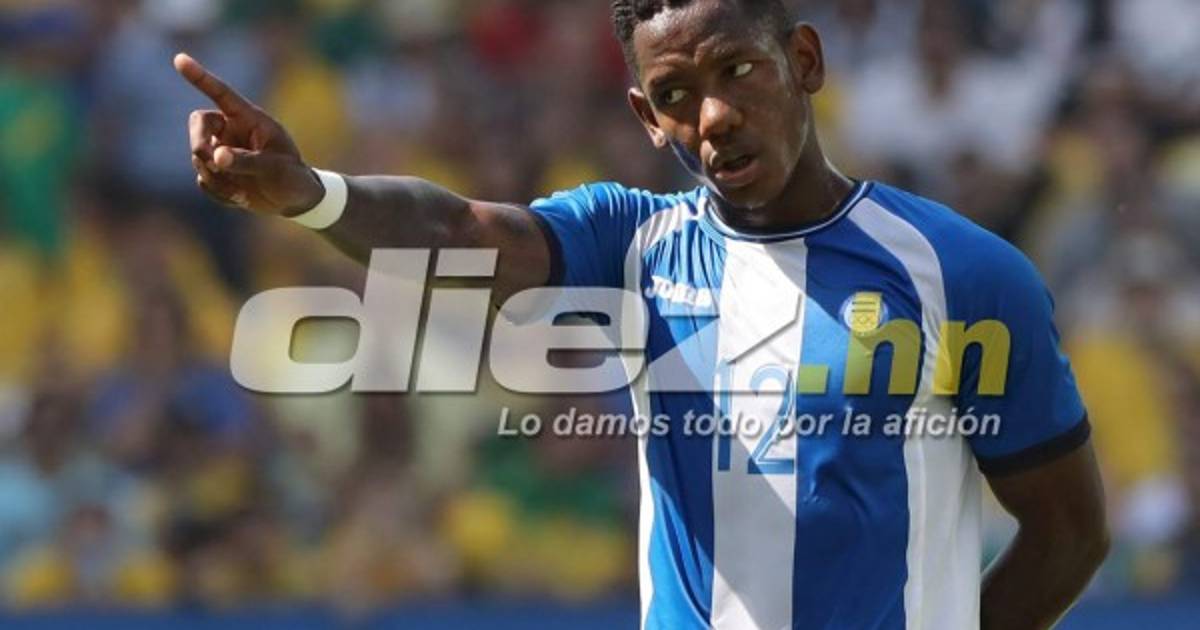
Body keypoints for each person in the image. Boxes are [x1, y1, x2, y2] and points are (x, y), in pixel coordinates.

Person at [173, 1, 1108, 628]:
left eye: (738, 69)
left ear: (805, 61)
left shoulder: (962, 274)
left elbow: (1069, 534)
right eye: (675, 96)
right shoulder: (633, 245)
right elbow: (456, 229)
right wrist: (313, 195)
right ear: (646, 117)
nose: (714, 116)